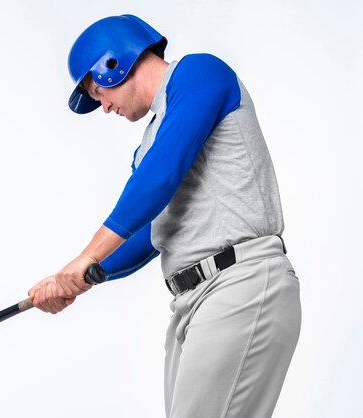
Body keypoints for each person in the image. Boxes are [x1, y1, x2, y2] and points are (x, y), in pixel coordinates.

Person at [27, 14, 301, 418]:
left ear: (115, 62)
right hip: (193, 301)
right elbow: (148, 233)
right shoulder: (149, 143)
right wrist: (75, 278)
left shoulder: (199, 73)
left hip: (241, 283)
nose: (102, 107)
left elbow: (160, 177)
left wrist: (87, 255)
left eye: (97, 90)